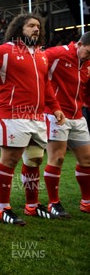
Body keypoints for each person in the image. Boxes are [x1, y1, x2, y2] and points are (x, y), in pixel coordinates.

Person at [0, 13, 65, 225]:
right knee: (10, 160)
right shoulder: (4, 51)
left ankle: (32, 205)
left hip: (37, 117)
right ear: (19, 29)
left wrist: (55, 107)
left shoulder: (41, 55)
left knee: (35, 160)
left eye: (38, 26)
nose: (36, 29)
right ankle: (2, 208)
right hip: (11, 114)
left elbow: (46, 85)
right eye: (31, 26)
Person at [43, 32, 90, 216]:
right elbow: (36, 67)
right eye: (87, 51)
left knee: (87, 160)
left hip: (78, 116)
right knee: (58, 158)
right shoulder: (57, 54)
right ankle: (53, 203)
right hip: (56, 114)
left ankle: (86, 201)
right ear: (79, 44)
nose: (88, 56)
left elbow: (86, 91)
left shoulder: (87, 64)